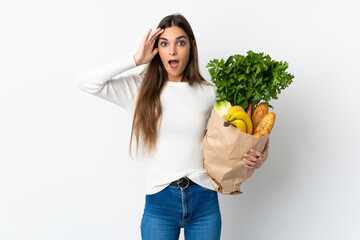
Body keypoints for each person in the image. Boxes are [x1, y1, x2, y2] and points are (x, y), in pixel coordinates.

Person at [77, 13, 270, 240]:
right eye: (164, 43)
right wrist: (137, 59)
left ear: (191, 47)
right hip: (160, 202)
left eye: (180, 42)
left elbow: (239, 133)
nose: (172, 51)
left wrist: (262, 152)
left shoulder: (210, 92)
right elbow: (87, 83)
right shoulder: (139, 90)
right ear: (156, 50)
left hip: (204, 199)